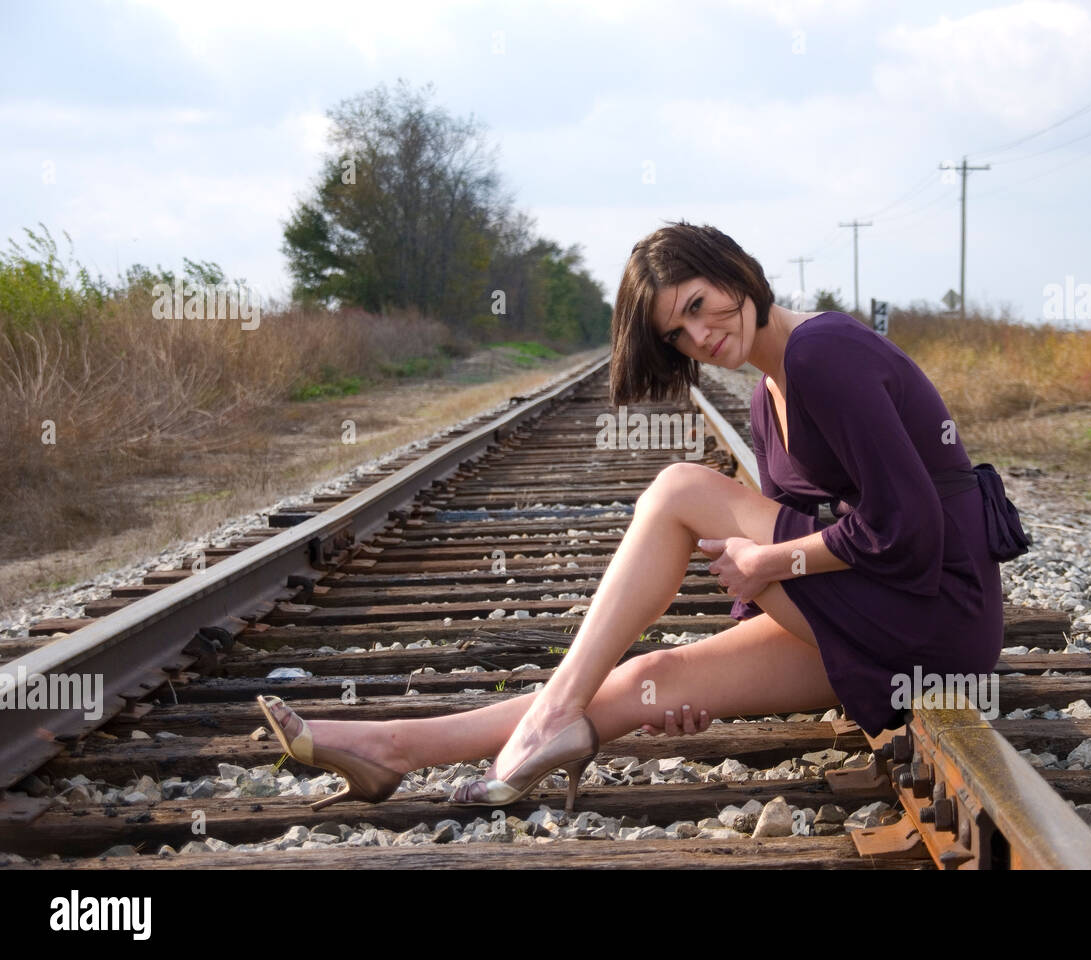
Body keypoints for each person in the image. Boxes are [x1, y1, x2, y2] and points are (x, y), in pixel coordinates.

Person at [257, 219, 1003, 815]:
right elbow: (823, 530)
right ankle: (394, 749)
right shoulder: (764, 393)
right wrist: (737, 637)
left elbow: (909, 530)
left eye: (698, 306)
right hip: (887, 625)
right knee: (655, 676)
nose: (699, 336)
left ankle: (549, 714)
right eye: (677, 334)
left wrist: (769, 566)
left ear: (735, 270)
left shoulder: (822, 353)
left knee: (682, 487)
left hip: (938, 615)